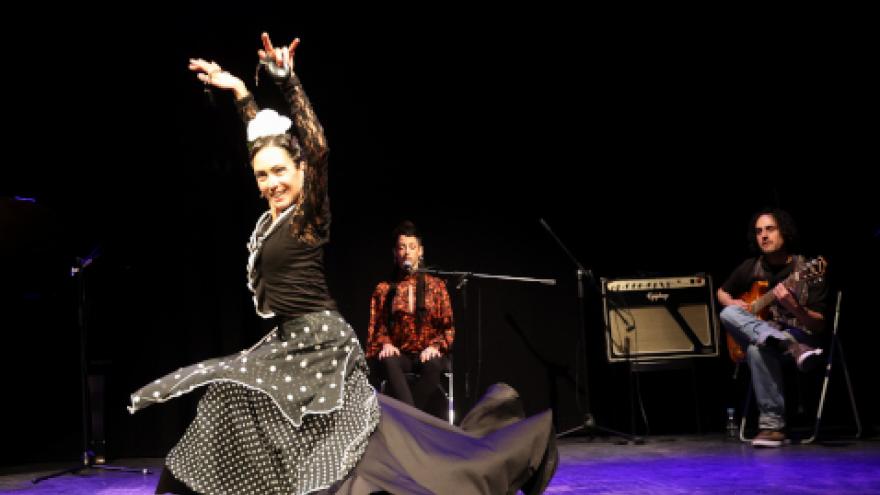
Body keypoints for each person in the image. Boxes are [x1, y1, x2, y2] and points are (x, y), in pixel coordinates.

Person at [128, 33, 557, 494]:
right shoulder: (272, 220)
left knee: (328, 434)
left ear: (301, 175)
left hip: (322, 344)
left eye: (280, 172)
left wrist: (289, 82)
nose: (271, 182)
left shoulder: (308, 217)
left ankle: (499, 457)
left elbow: (316, 148)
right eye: (262, 175)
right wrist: (242, 96)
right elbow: (264, 142)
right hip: (290, 342)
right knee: (238, 397)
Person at [717, 207, 828, 448]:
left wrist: (794, 307)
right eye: (759, 232)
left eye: (770, 229)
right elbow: (721, 292)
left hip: (804, 339)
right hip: (781, 343)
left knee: (758, 349)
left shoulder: (806, 269)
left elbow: (819, 325)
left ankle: (772, 427)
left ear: (784, 233)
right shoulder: (751, 266)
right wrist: (734, 302)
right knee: (728, 312)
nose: (764, 236)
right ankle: (786, 345)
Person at [367, 221, 454, 418]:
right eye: (402, 247)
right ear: (395, 253)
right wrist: (386, 344)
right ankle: (415, 420)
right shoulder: (384, 289)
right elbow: (377, 325)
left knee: (434, 365)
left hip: (428, 353)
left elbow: (447, 328)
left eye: (412, 247)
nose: (407, 252)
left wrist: (435, 346)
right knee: (388, 360)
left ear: (420, 251)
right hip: (401, 355)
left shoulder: (437, 286)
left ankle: (407, 420)